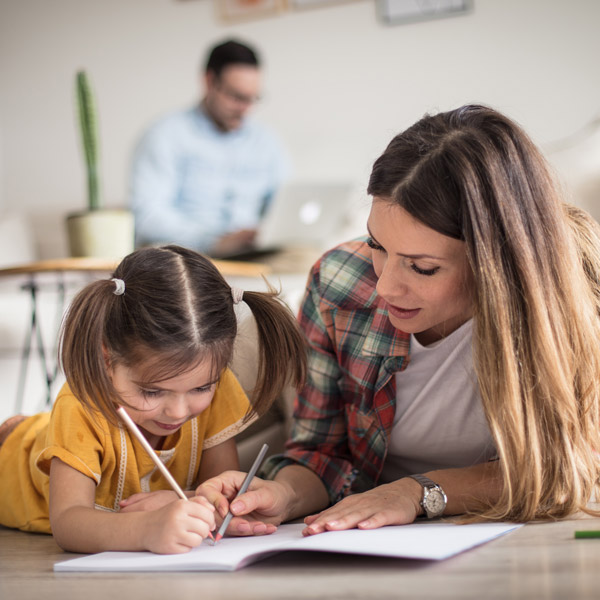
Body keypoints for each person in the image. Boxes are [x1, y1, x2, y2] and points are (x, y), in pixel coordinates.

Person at [196, 104, 600, 536]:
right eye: (376, 244)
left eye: (421, 267)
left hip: (524, 533)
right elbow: (322, 453)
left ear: (495, 262)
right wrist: (283, 496)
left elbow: (567, 469)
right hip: (379, 536)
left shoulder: (573, 294)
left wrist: (416, 493)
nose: (385, 286)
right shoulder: (339, 283)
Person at [0, 245, 305, 553]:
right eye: (152, 391)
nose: (178, 411)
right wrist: (147, 529)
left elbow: (215, 491)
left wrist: (189, 502)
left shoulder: (219, 390)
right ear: (107, 359)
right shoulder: (81, 406)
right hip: (10, 463)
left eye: (201, 388)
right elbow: (68, 523)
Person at [129, 39, 289, 257]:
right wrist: (212, 241)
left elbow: (283, 203)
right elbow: (146, 216)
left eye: (252, 98)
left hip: (254, 256)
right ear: (209, 81)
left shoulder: (266, 140)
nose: (245, 109)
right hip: (189, 259)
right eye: (236, 97)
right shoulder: (165, 135)